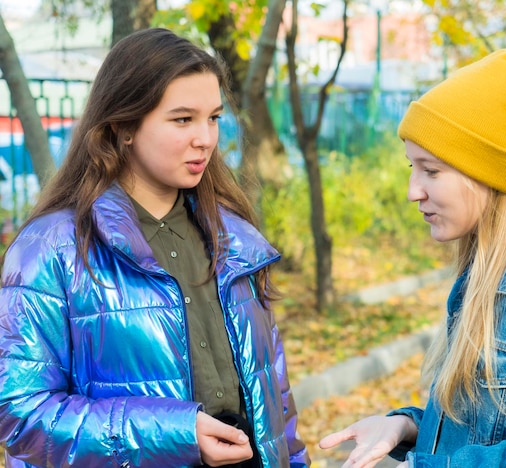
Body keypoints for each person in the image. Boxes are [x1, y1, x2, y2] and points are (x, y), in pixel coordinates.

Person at [0, 27, 309, 468]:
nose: (205, 138)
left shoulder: (234, 239)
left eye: (214, 118)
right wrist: (175, 433)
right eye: (183, 119)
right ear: (125, 126)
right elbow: (20, 414)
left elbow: (273, 387)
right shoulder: (51, 248)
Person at [319, 48, 506, 466]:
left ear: (486, 173)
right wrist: (407, 428)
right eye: (412, 167)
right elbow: (490, 428)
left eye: (431, 170)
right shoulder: (490, 267)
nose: (413, 190)